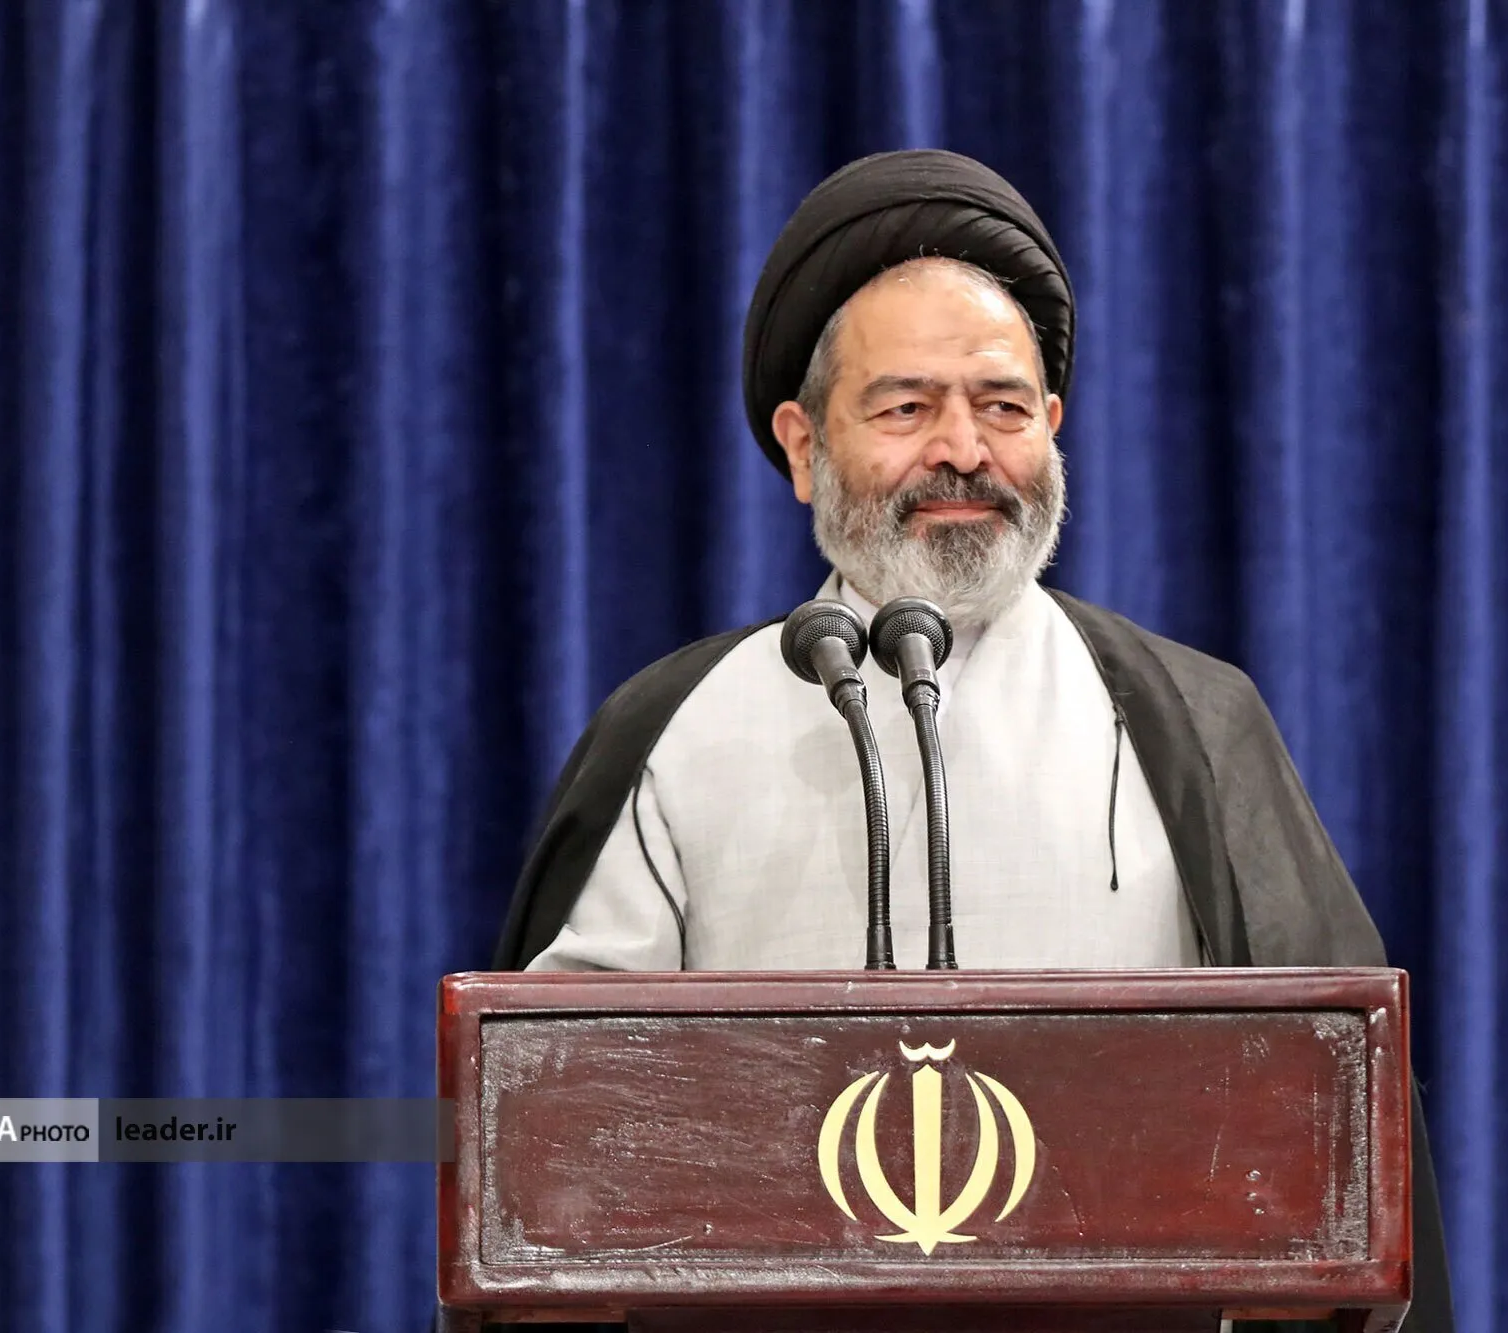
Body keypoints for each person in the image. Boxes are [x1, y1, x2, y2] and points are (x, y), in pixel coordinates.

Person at [493, 149, 1454, 1332]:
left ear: (1050, 428)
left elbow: (1329, 1126)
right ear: (802, 446)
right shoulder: (677, 729)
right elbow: (551, 1136)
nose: (961, 448)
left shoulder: (1191, 722)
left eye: (1001, 407)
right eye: (905, 408)